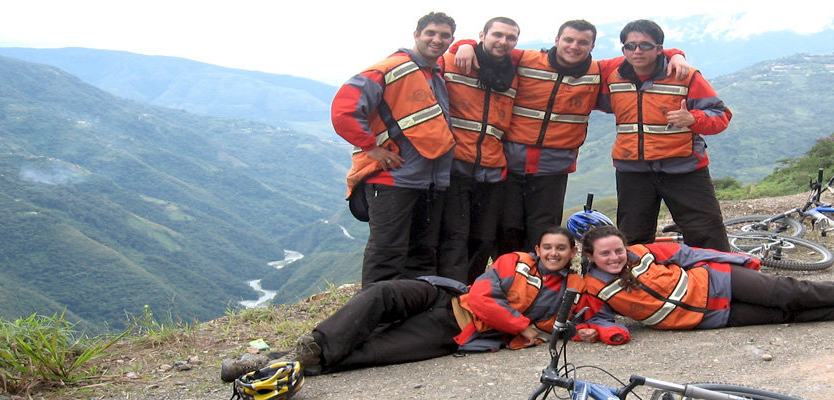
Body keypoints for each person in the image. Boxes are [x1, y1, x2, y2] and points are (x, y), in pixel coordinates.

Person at [219, 227, 628, 381]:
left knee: (369, 353)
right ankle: (306, 350)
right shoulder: (512, 262)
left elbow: (605, 319)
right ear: (537, 248)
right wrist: (521, 326)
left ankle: (268, 363)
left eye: (562, 248)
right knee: (380, 294)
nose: (554, 253)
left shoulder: (578, 288)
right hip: (443, 297)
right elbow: (483, 297)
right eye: (548, 247)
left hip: (454, 331)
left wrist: (605, 333)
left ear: (574, 251)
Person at [450, 20, 691, 254]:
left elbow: (643, 51)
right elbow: (493, 48)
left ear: (592, 47)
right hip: (512, 162)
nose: (574, 46)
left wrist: (675, 53)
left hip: (553, 168)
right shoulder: (527, 60)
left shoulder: (599, 70)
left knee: (544, 231)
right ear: (556, 40)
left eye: (582, 42)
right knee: (507, 228)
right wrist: (464, 44)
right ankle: (511, 283)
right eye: (568, 40)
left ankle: (542, 285)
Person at [575, 225, 834, 336]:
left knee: (788, 292)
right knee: (785, 316)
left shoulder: (645, 251)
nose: (615, 258)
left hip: (717, 280)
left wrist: (741, 260)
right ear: (591, 257)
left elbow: (693, 255)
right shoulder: (595, 286)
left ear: (624, 245)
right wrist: (606, 333)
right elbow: (601, 319)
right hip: (704, 318)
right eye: (605, 255)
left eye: (617, 250)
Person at [332, 12, 458, 287]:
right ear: (416, 35)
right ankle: (373, 319)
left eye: (444, 35)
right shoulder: (390, 68)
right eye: (431, 33)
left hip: (428, 181)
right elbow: (344, 111)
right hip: (392, 179)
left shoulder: (435, 74)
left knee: (421, 255)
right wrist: (372, 148)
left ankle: (410, 317)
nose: (437, 40)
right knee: (387, 254)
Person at [596, 19, 731, 252]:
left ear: (659, 49)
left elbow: (721, 116)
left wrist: (693, 119)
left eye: (646, 46)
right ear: (623, 50)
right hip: (632, 171)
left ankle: (718, 282)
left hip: (684, 169)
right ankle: (638, 284)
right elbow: (576, 65)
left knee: (705, 232)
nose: (637, 51)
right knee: (633, 237)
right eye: (631, 46)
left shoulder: (684, 75)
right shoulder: (612, 74)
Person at [436, 17, 520, 283]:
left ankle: (469, 295)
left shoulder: (515, 71)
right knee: (454, 237)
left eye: (510, 38)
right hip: (454, 166)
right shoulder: (451, 62)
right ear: (482, 35)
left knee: (483, 239)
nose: (503, 42)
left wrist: (467, 44)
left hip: (492, 170)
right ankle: (447, 300)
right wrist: (463, 45)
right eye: (497, 35)